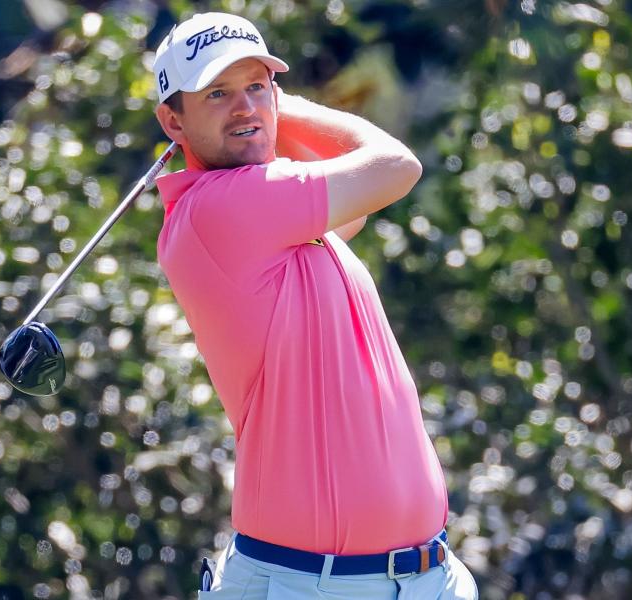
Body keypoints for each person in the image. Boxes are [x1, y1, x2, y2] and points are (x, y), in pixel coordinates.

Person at [151, 11, 479, 600]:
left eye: (256, 85)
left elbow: (355, 199)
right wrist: (282, 105)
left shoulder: (280, 219)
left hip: (426, 576)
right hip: (311, 583)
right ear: (172, 120)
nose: (244, 107)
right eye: (218, 94)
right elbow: (395, 166)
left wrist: (261, 110)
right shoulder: (223, 209)